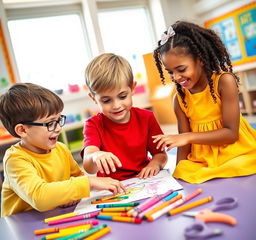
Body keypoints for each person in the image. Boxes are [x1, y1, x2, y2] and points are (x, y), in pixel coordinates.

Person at [152, 21, 256, 184]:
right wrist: (177, 175)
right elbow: (184, 146)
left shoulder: (224, 82)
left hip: (236, 151)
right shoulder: (179, 99)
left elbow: (231, 133)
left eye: (181, 69)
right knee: (183, 171)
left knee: (239, 166)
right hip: (203, 159)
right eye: (170, 72)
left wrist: (187, 137)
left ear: (200, 59)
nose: (176, 78)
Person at [0, 83, 125, 217]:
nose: (59, 127)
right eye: (50, 123)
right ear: (23, 130)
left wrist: (71, 195)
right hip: (22, 227)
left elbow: (76, 177)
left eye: (59, 120)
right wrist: (89, 182)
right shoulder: (15, 160)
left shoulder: (61, 149)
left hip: (54, 217)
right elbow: (39, 197)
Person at [82, 53, 167, 181]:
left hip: (144, 180)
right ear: (93, 98)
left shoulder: (146, 118)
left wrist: (154, 164)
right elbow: (89, 166)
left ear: (132, 88)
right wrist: (95, 156)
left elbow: (160, 154)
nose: (116, 105)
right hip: (112, 187)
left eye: (122, 96)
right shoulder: (93, 125)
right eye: (106, 100)